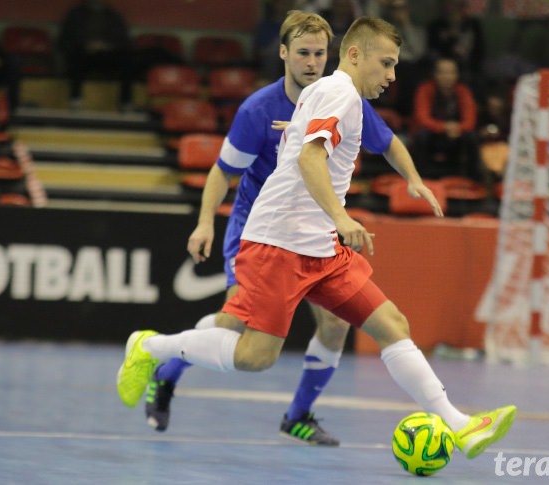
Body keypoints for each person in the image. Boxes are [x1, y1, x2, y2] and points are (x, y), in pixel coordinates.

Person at [117, 16, 516, 461]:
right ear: (355, 55)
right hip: (279, 242)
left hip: (321, 246)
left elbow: (369, 146)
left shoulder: (337, 96)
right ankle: (150, 346)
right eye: (386, 64)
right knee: (254, 356)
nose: (392, 76)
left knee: (392, 325)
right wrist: (342, 217)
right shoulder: (335, 93)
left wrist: (412, 180)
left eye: (395, 65)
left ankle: (460, 426)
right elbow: (310, 159)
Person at [143, 10, 427, 446]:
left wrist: (413, 178)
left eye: (319, 53)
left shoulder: (343, 98)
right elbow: (222, 172)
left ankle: (298, 415)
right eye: (302, 53)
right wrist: (204, 223)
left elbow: (387, 141)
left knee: (335, 324)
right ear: (283, 54)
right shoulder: (258, 109)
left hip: (312, 233)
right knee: (233, 325)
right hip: (262, 230)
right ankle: (165, 369)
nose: (312, 62)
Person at [411, 57, 483, 182]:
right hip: (432, 137)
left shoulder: (463, 91)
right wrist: (445, 127)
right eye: (442, 72)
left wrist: (457, 128)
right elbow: (422, 118)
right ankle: (421, 178)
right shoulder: (425, 89)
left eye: (451, 72)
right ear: (435, 74)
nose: (447, 76)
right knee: (422, 135)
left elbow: (470, 121)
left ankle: (474, 180)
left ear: (457, 75)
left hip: (455, 137)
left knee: (472, 137)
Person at [57, 0, 134, 110]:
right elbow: (64, 40)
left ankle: (126, 102)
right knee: (76, 57)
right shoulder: (75, 14)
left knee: (127, 59)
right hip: (83, 54)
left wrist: (106, 46)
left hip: (107, 55)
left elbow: (124, 42)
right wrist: (86, 46)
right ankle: (75, 100)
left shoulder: (113, 15)